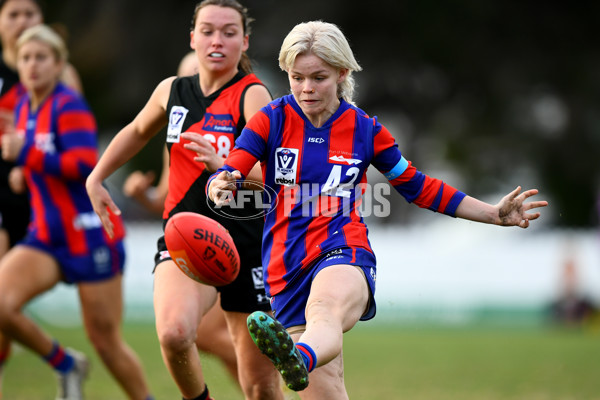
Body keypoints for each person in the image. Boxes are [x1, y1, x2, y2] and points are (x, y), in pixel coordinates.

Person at [207, 20, 549, 399]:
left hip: (343, 250)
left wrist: (492, 213)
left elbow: (419, 188)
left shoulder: (365, 130)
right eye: (296, 77)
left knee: (324, 310)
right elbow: (232, 166)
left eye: (318, 77)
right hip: (284, 268)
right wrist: (220, 182)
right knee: (327, 392)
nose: (306, 88)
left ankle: (299, 356)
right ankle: (302, 356)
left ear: (341, 72)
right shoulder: (271, 119)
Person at [86, 1, 283, 399]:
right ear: (192, 37)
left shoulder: (253, 95)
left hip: (248, 246)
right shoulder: (172, 91)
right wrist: (97, 175)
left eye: (229, 32)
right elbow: (137, 131)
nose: (217, 40)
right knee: (175, 334)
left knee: (260, 386)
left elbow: (280, 176)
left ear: (244, 42)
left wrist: (225, 166)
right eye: (207, 30)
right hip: (187, 237)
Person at [0, 24, 153, 400]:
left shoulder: (69, 105)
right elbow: (44, 162)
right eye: (25, 58)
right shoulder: (22, 105)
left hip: (90, 234)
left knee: (106, 341)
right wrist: (25, 173)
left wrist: (27, 156)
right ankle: (65, 363)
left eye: (41, 57)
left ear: (58, 64)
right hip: (48, 236)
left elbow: (86, 165)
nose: (32, 65)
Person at [122, 51, 239, 382]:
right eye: (190, 77)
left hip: (241, 242)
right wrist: (141, 195)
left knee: (216, 337)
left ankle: (266, 381)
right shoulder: (177, 139)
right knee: (196, 335)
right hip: (202, 246)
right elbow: (165, 200)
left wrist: (224, 168)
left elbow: (268, 184)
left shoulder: (243, 117)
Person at [0, 1, 82, 391]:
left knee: (105, 332)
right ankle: (63, 363)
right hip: (5, 201)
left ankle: (66, 363)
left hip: (51, 212)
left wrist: (28, 159)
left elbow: (78, 147)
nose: (21, 22)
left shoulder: (60, 75)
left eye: (29, 13)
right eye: (12, 14)